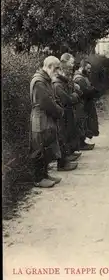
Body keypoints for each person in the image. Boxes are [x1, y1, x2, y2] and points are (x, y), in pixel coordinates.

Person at [29, 56, 63, 188]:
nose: (58, 71)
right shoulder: (39, 81)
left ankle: (44, 175)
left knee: (46, 145)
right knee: (38, 147)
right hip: (40, 118)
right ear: (48, 67)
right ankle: (38, 179)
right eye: (56, 68)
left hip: (45, 118)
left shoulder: (44, 79)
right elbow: (46, 103)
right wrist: (59, 111)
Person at [52, 57, 80, 172]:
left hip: (65, 112)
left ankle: (66, 158)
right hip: (62, 113)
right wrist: (74, 96)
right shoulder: (57, 84)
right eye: (58, 69)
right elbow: (66, 99)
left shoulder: (60, 82)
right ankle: (62, 163)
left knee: (66, 134)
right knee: (62, 136)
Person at [74, 60, 99, 150]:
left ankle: (83, 142)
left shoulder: (83, 77)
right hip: (82, 104)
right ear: (82, 67)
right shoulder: (79, 78)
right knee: (82, 124)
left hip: (86, 104)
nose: (89, 70)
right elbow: (84, 92)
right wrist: (93, 90)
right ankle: (81, 144)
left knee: (86, 123)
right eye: (88, 68)